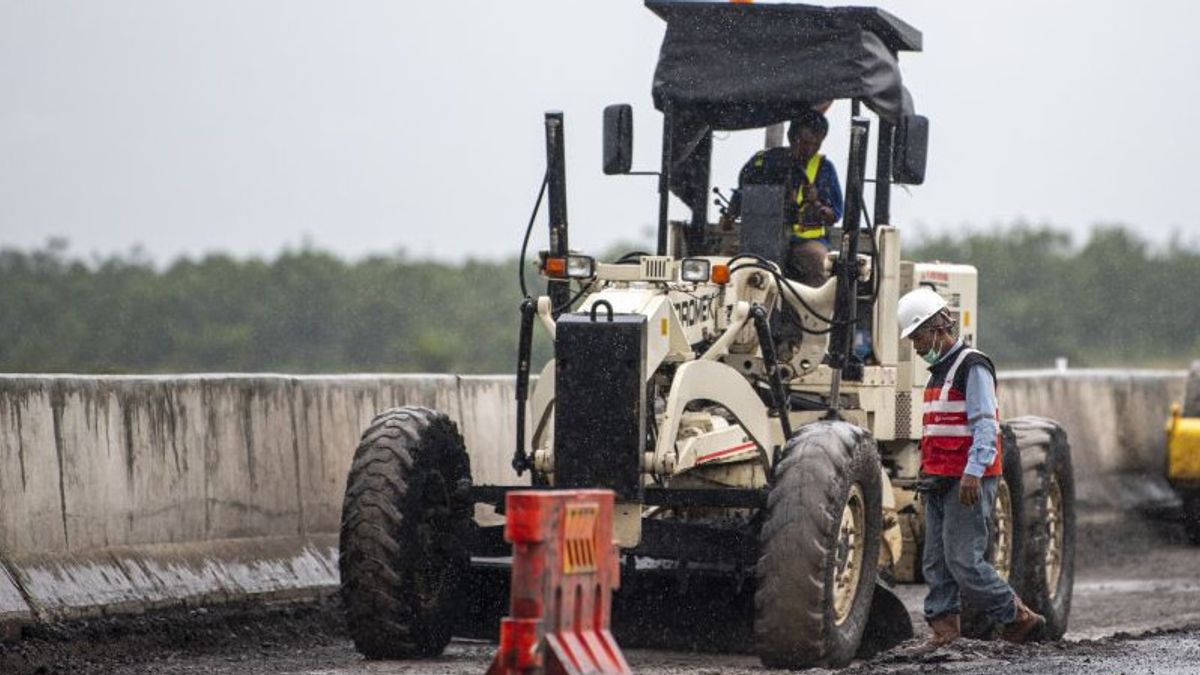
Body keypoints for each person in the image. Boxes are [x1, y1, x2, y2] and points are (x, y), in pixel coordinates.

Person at [896, 287, 1046, 649]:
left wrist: (974, 471)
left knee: (964, 560)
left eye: (917, 337)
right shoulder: (939, 372)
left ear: (937, 329)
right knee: (935, 562)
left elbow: (985, 424)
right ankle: (944, 630)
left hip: (966, 479)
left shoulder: (971, 366)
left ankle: (1019, 618)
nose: (916, 346)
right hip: (939, 479)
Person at [720, 109, 843, 286]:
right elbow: (742, 193)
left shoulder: (825, 168)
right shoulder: (762, 162)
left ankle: (814, 313)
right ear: (791, 137)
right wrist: (729, 217)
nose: (809, 149)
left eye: (816, 144)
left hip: (804, 242)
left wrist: (816, 203)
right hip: (759, 239)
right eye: (804, 142)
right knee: (726, 262)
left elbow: (834, 215)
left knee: (819, 262)